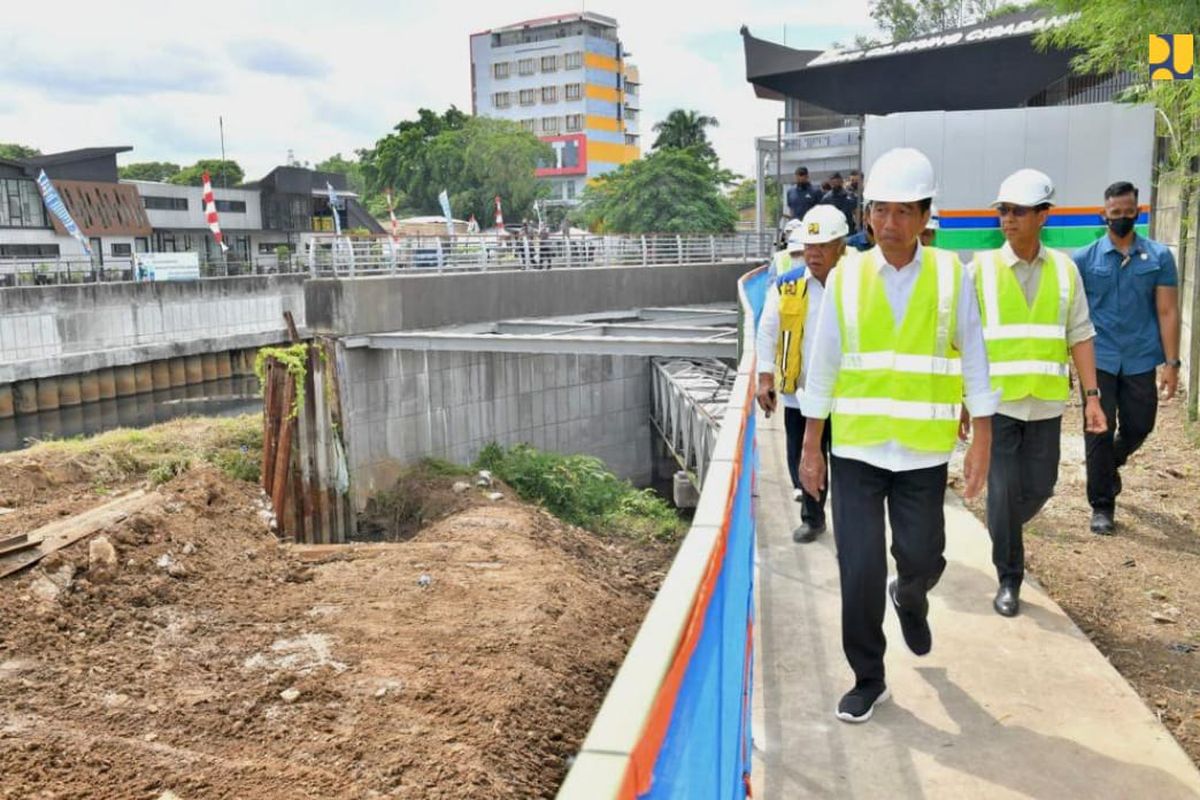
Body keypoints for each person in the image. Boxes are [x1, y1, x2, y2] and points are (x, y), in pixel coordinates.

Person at [798, 147, 997, 724]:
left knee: (923, 556)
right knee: (857, 567)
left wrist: (980, 437)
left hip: (922, 452)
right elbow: (824, 362)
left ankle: (910, 594)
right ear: (867, 215)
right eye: (880, 211)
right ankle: (869, 676)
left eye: (904, 212)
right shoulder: (847, 277)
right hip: (857, 450)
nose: (890, 224)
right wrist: (811, 446)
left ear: (925, 216)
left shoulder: (950, 276)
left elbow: (976, 358)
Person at [967, 169, 1107, 618]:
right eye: (1003, 211)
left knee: (1041, 487)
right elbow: (964, 341)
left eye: (1018, 211)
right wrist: (962, 401)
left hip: (1045, 402)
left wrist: (1093, 396)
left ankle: (1002, 525)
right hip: (998, 402)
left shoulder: (1066, 271)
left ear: (1043, 216)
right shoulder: (980, 270)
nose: (1008, 220)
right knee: (1005, 488)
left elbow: (1080, 335)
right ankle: (1010, 577)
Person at [1073, 182, 1181, 535]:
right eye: (1115, 213)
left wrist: (1172, 363)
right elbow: (1074, 317)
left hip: (1139, 357)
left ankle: (1112, 462)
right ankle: (1102, 506)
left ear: (1139, 212)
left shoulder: (1159, 258)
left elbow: (1167, 311)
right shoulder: (1084, 260)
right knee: (1097, 432)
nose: (1121, 218)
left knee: (1140, 425)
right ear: (1103, 215)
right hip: (1099, 357)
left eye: (1128, 211)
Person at [755, 206, 847, 542]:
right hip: (800, 390)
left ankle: (850, 522)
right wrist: (765, 378)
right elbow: (767, 330)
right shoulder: (788, 285)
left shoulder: (857, 284)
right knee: (802, 456)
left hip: (846, 393)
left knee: (846, 460)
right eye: (809, 246)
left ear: (841, 246)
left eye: (822, 246)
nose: (813, 253)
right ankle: (812, 516)